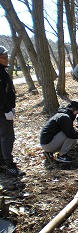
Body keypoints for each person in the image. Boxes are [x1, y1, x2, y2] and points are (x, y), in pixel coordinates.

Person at [0, 46, 24, 176]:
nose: (6, 59)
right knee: (7, 138)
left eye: (7, 56)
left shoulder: (3, 72)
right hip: (3, 112)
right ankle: (9, 164)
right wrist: (6, 110)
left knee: (3, 137)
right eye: (3, 57)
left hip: (4, 110)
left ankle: (2, 162)